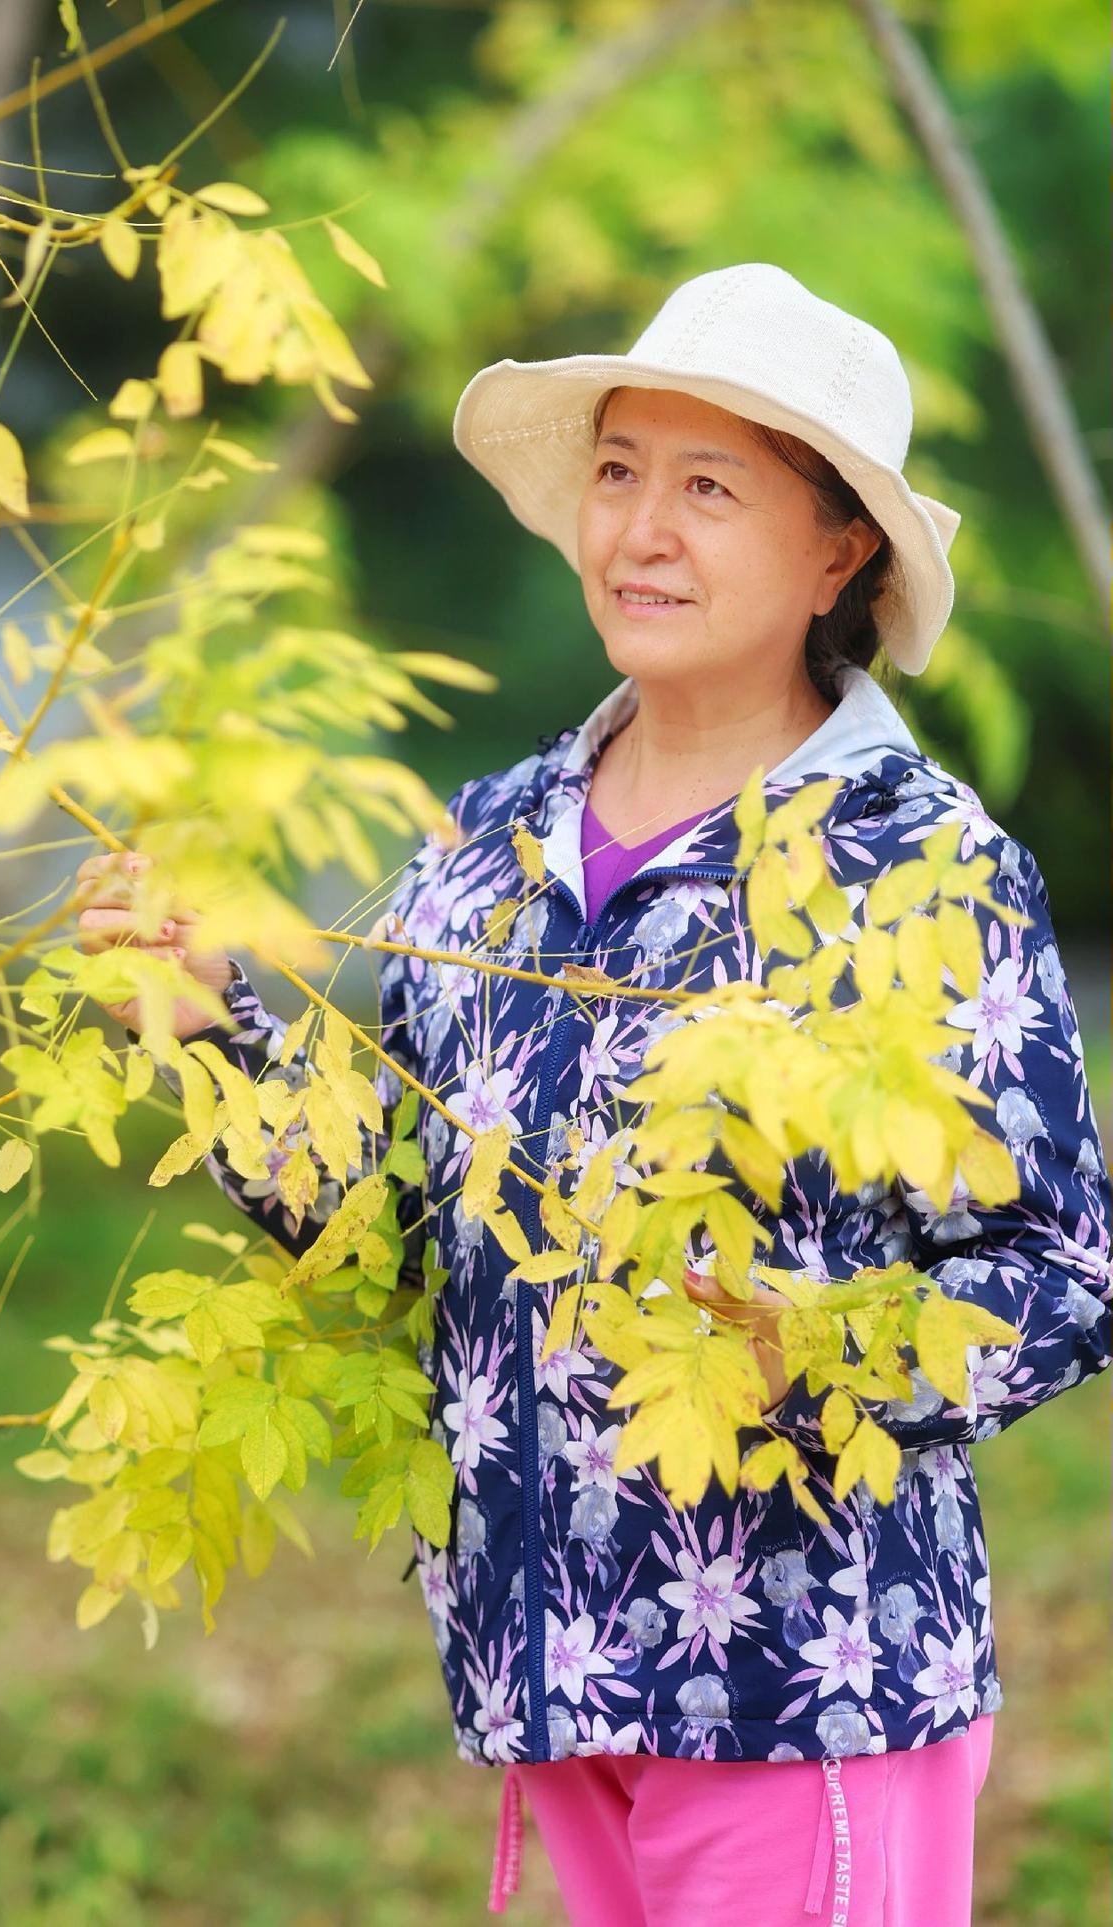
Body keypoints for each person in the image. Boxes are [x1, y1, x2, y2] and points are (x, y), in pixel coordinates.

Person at [74, 264, 1111, 1925]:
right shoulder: (492, 839)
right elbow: (401, 1226)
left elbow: (1058, 1271)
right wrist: (211, 1034)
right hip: (546, 1664)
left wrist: (817, 1340)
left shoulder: (919, 864)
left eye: (710, 489)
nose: (642, 529)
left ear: (839, 548)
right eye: (621, 472)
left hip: (799, 1684)